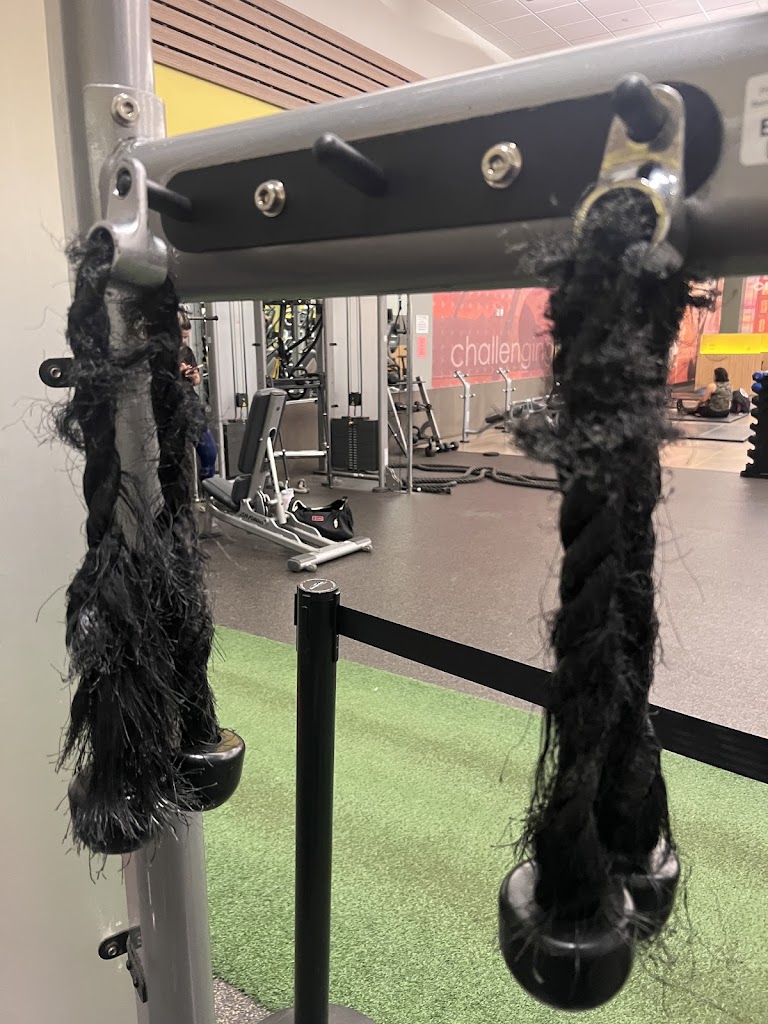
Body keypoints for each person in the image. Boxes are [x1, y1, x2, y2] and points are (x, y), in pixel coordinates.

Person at [178, 308, 218, 480]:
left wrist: (193, 376)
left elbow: (196, 381)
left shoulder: (186, 351)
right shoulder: (160, 355)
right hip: (173, 408)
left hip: (191, 405)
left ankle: (208, 490)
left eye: (186, 337)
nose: (184, 341)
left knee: (209, 453)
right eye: (181, 337)